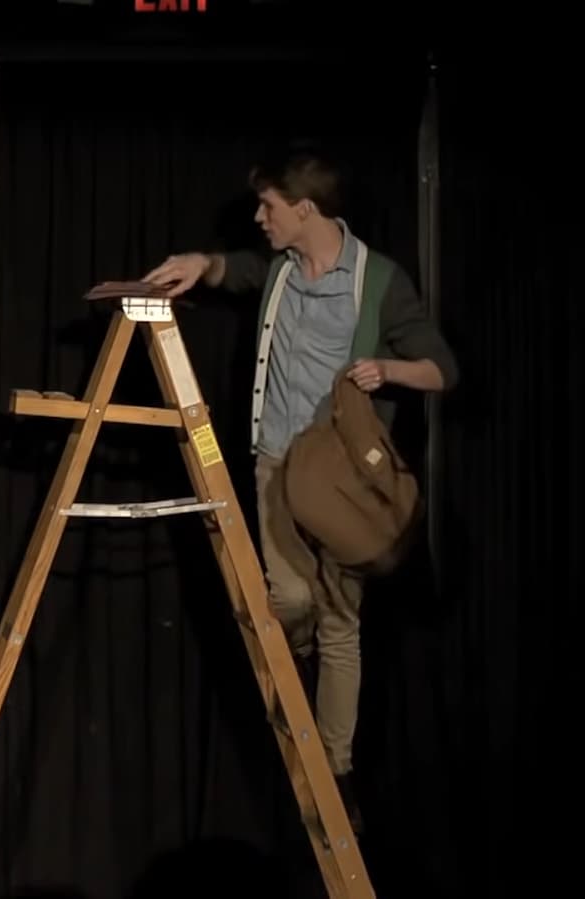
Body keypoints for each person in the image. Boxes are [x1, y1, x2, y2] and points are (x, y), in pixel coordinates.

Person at [141, 142, 458, 832]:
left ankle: (333, 771)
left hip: (341, 479)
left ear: (306, 208)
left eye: (270, 205)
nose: (260, 216)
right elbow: (236, 270)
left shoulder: (378, 281)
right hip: (275, 463)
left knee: (344, 624)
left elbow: (442, 370)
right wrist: (201, 265)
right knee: (285, 597)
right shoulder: (281, 272)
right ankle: (303, 654)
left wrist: (386, 368)